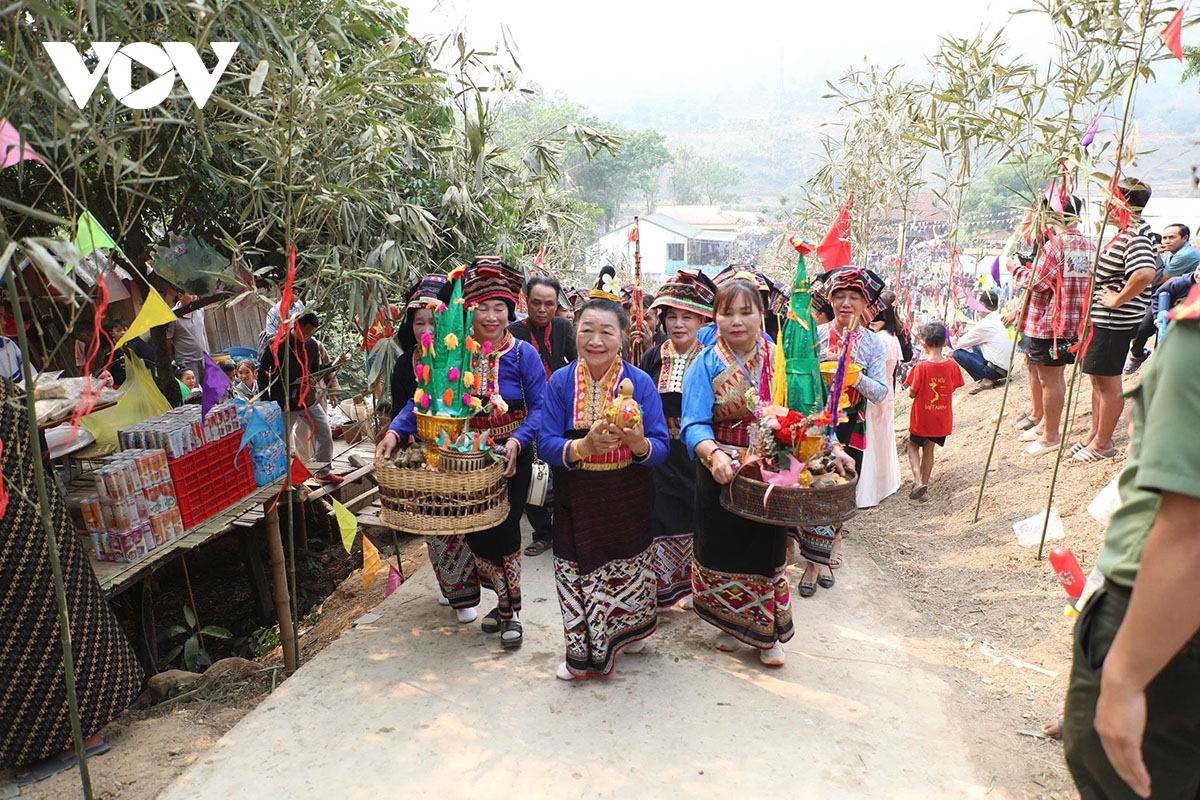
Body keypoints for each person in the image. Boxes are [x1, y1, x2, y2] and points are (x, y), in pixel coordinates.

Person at [1062, 285, 1200, 799]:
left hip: (1163, 614)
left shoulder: (1195, 336)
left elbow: (1189, 533)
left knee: (1121, 777)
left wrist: (1123, 679)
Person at [377, 257, 546, 647]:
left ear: (510, 311)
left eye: (499, 308)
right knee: (478, 535)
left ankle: (511, 614)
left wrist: (517, 441)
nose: (491, 316)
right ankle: (502, 603)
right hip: (464, 458)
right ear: (469, 310)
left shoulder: (523, 355)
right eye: (482, 307)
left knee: (505, 531)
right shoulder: (453, 351)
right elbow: (424, 399)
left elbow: (540, 408)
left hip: (511, 457)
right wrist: (395, 433)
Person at [0, 378, 143, 783]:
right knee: (58, 624)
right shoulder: (7, 393)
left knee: (29, 636)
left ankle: (63, 742)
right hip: (37, 515)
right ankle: (72, 735)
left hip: (14, 533)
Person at [538, 266, 669, 679]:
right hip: (576, 497)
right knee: (573, 571)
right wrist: (583, 448)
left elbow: (661, 446)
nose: (596, 341)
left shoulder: (640, 383)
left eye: (606, 332)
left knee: (629, 566)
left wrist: (638, 444)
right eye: (587, 330)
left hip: (628, 494)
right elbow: (545, 442)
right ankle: (582, 655)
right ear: (574, 331)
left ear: (623, 337)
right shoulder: (560, 383)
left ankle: (631, 632)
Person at [682, 275, 809, 666]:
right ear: (715, 318)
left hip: (770, 471)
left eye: (745, 312)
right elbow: (693, 423)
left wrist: (825, 448)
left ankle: (768, 635)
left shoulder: (779, 359)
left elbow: (802, 412)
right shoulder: (704, 363)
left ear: (761, 314)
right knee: (721, 547)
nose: (736, 321)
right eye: (726, 313)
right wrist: (715, 454)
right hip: (719, 471)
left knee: (767, 549)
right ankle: (729, 623)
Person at [796, 267, 889, 595]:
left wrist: (855, 377)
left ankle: (831, 544)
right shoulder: (817, 335)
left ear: (865, 304)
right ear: (831, 300)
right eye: (840, 296)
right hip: (817, 424)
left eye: (853, 297)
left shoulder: (873, 343)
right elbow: (799, 377)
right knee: (814, 488)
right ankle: (813, 562)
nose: (846, 303)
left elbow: (880, 392)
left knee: (840, 490)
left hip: (852, 425)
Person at [387, 274, 471, 619]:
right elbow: (402, 410)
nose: (426, 329)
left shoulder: (462, 357)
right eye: (419, 322)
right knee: (434, 525)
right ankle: (453, 589)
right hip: (423, 457)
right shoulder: (404, 365)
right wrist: (397, 444)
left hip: (461, 453)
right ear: (410, 325)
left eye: (433, 322)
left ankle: (464, 589)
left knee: (462, 523)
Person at [639, 269, 715, 609]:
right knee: (660, 517)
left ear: (701, 320)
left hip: (697, 457)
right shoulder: (652, 356)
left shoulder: (711, 359)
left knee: (698, 518)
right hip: (661, 455)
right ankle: (665, 588)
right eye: (671, 316)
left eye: (687, 317)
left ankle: (698, 588)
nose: (678, 324)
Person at [1074, 179, 1157, 464]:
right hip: (1103, 321)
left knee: (1108, 383)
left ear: (1122, 203)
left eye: (1109, 200)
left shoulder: (1135, 234)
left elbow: (1145, 273)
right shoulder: (1125, 233)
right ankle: (1094, 433)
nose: (1105, 206)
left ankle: (1103, 443)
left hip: (1114, 322)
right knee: (1098, 379)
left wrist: (1117, 299)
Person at [1007, 197, 1095, 458]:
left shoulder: (1055, 246)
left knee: (1049, 380)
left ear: (1055, 216)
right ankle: (1046, 425)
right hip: (1072, 321)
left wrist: (1015, 268)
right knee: (1056, 377)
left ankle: (1051, 436)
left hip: (1049, 323)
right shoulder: (1089, 244)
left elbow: (1038, 282)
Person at [509, 275, 577, 558]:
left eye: (549, 304)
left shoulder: (563, 327)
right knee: (533, 474)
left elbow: (576, 363)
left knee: (564, 471)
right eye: (536, 303)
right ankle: (543, 533)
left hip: (560, 409)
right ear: (526, 301)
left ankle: (565, 530)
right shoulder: (513, 332)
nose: (542, 309)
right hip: (529, 413)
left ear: (556, 304)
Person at [258, 312, 348, 483]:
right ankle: (281, 479)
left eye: (310, 333)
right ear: (296, 326)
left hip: (307, 399)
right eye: (305, 332)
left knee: (324, 433)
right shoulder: (278, 345)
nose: (306, 336)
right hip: (284, 401)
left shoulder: (312, 345)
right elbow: (262, 372)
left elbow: (314, 371)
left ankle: (323, 472)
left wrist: (333, 365)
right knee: (280, 442)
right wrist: (266, 401)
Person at [1126, 223, 1200, 374]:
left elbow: (1156, 279)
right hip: (1169, 297)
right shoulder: (1174, 255)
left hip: (1184, 301)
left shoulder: (1185, 255)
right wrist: (1158, 316)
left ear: (1185, 238)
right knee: (1149, 330)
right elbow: (1161, 288)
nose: (1166, 241)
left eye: (1171, 237)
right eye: (1165, 238)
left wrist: (1153, 254)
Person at [905, 323, 964, 500]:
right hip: (941, 417)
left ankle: (918, 482)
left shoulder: (920, 367)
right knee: (929, 450)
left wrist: (914, 393)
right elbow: (953, 387)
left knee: (913, 446)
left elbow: (912, 392)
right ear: (945, 342)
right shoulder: (952, 366)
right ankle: (925, 488)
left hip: (922, 417)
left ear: (924, 345)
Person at [858, 300, 904, 509]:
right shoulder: (892, 337)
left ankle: (870, 491)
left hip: (875, 394)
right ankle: (884, 483)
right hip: (888, 394)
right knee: (883, 439)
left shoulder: (878, 339)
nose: (872, 320)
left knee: (872, 441)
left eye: (877, 316)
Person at [951, 289, 1012, 393]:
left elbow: (959, 344)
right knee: (975, 345)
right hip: (1008, 368)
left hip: (997, 371)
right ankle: (990, 374)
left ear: (982, 306)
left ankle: (987, 380)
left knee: (957, 354)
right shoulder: (1002, 317)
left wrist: (949, 349)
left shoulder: (984, 324)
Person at [167, 290, 209, 379]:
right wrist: (172, 356)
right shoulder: (173, 316)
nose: (194, 296)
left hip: (203, 357)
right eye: (190, 293)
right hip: (186, 361)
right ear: (180, 296)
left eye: (195, 293)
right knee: (193, 387)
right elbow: (168, 340)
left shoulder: (200, 310)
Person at [99, 318, 154, 386]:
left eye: (125, 330)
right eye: (118, 331)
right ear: (112, 333)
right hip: (120, 383)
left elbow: (150, 358)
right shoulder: (109, 351)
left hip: (139, 381)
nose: (122, 333)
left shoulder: (137, 344)